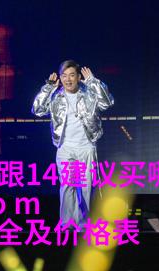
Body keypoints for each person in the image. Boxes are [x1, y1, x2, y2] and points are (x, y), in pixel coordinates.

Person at [32, 60, 114, 228]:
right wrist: (48, 88)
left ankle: (83, 225)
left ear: (78, 77)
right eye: (64, 76)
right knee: (67, 185)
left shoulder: (89, 93)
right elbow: (37, 110)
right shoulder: (55, 96)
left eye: (71, 75)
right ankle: (67, 224)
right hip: (65, 147)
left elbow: (107, 103)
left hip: (86, 146)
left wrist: (93, 82)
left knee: (85, 187)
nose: (68, 79)